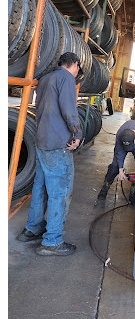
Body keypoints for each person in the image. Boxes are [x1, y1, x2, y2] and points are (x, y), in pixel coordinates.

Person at [17, 52, 83, 256]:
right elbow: (69, 110)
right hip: (58, 144)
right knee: (60, 193)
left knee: (40, 187)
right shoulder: (66, 78)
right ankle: (52, 241)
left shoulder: (45, 79)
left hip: (42, 140)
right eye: (78, 68)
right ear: (75, 64)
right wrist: (77, 133)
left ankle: (32, 228)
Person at [97, 119, 135, 201]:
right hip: (124, 145)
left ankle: (134, 193)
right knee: (114, 167)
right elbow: (119, 153)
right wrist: (120, 170)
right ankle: (105, 187)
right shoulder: (120, 135)